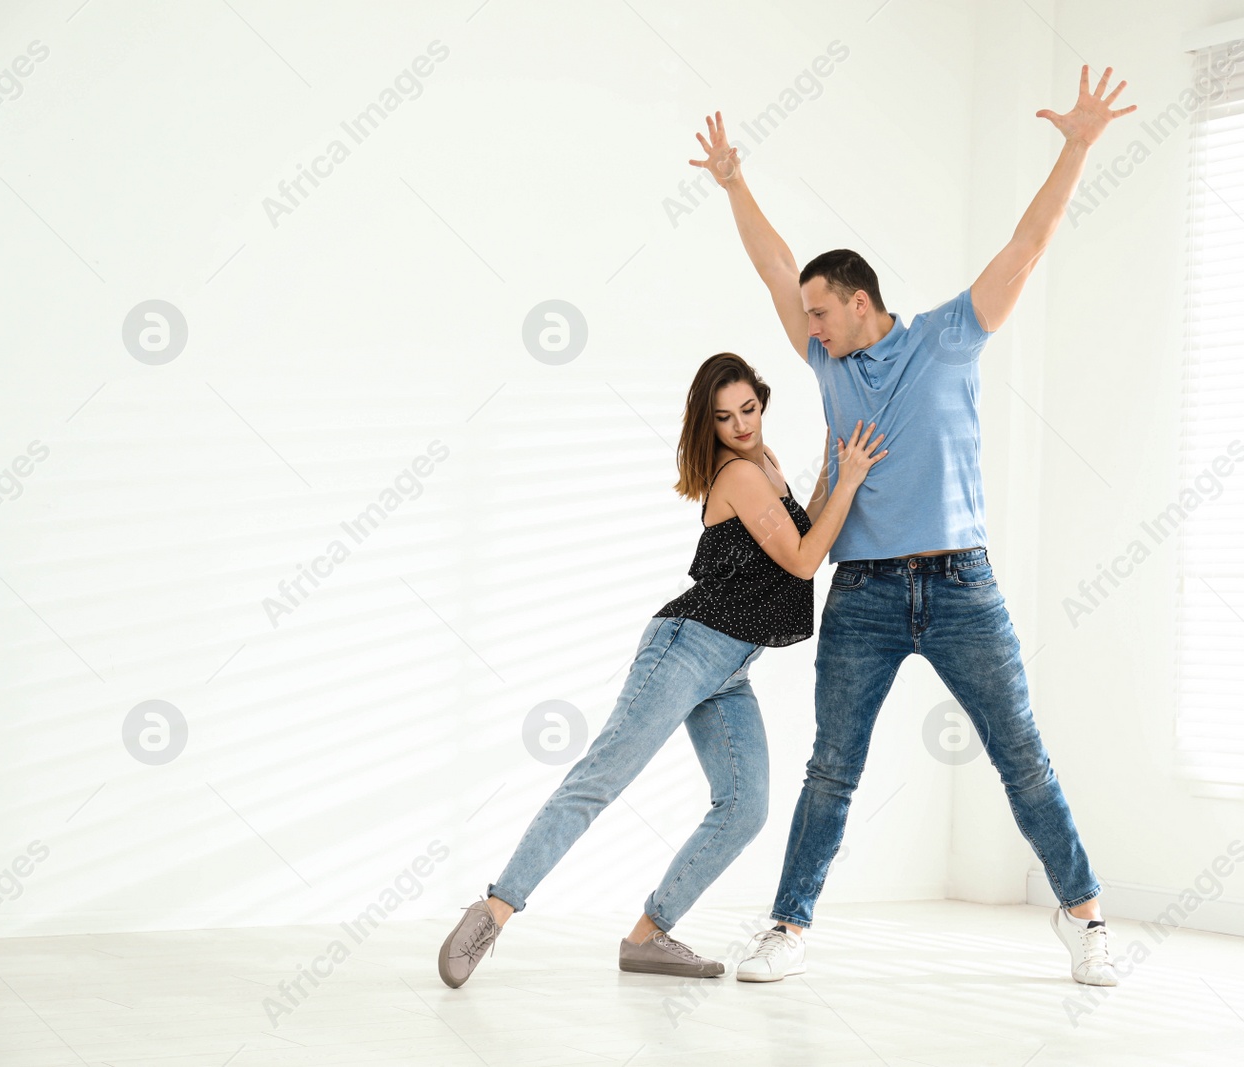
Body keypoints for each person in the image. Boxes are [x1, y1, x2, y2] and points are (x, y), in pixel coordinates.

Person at [687, 65, 1137, 987]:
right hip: (864, 591)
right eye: (804, 315)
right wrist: (736, 183)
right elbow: (775, 265)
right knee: (832, 768)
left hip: (962, 582)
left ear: (860, 301)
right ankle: (787, 927)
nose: (805, 326)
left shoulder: (948, 334)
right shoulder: (828, 363)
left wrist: (1078, 145)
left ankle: (1088, 917)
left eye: (820, 312)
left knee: (1023, 759)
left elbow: (1027, 243)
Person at [438, 352, 887, 986]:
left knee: (744, 807)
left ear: (762, 400)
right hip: (687, 649)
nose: (740, 426)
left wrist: (836, 471)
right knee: (601, 777)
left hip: (731, 667)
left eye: (749, 410)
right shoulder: (738, 475)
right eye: (725, 417)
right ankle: (493, 911)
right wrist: (850, 481)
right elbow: (806, 561)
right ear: (709, 423)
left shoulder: (767, 465)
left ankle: (650, 935)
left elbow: (803, 530)